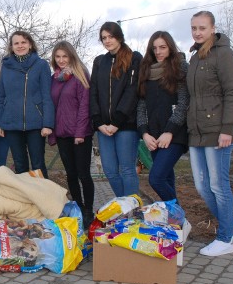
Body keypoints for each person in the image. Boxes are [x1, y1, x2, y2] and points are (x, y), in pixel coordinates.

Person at [187, 10, 233, 257]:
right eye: (194, 28)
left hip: (217, 131)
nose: (197, 32)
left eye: (202, 28)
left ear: (212, 29)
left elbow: (232, 93)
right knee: (202, 186)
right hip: (196, 132)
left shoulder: (224, 54)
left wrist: (227, 129)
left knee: (219, 186)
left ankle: (224, 239)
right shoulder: (195, 58)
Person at [89, 21, 142, 197]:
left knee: (127, 169)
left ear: (119, 36)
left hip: (126, 125)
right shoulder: (99, 62)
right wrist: (98, 122)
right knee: (110, 171)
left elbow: (132, 92)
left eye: (110, 36)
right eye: (103, 38)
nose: (107, 41)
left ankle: (132, 211)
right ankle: (124, 204)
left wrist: (117, 121)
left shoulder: (134, 58)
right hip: (104, 127)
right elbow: (94, 91)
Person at [137, 31, 189, 203]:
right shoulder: (146, 72)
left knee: (156, 179)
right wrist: (144, 133)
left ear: (170, 48)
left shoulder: (179, 68)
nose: (158, 52)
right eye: (155, 48)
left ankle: (178, 214)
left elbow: (183, 103)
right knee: (166, 178)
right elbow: (141, 106)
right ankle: (175, 223)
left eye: (163, 47)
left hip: (174, 135)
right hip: (153, 136)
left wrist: (170, 131)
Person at [0, 31, 54, 178]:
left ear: (30, 44)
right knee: (20, 165)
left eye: (23, 42)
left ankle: (42, 198)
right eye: (16, 43)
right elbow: (0, 97)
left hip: (35, 123)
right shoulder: (6, 67)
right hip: (11, 123)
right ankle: (25, 199)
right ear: (11, 46)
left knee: (38, 165)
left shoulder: (41, 65)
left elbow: (47, 96)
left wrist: (48, 124)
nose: (20, 46)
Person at [48, 41, 95, 226]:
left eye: (64, 56)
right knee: (71, 174)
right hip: (62, 133)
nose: (61, 60)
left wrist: (80, 132)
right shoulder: (54, 78)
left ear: (71, 56)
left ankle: (89, 210)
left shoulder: (80, 75)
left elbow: (85, 106)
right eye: (58, 57)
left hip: (79, 133)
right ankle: (79, 207)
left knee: (84, 173)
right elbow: (52, 106)